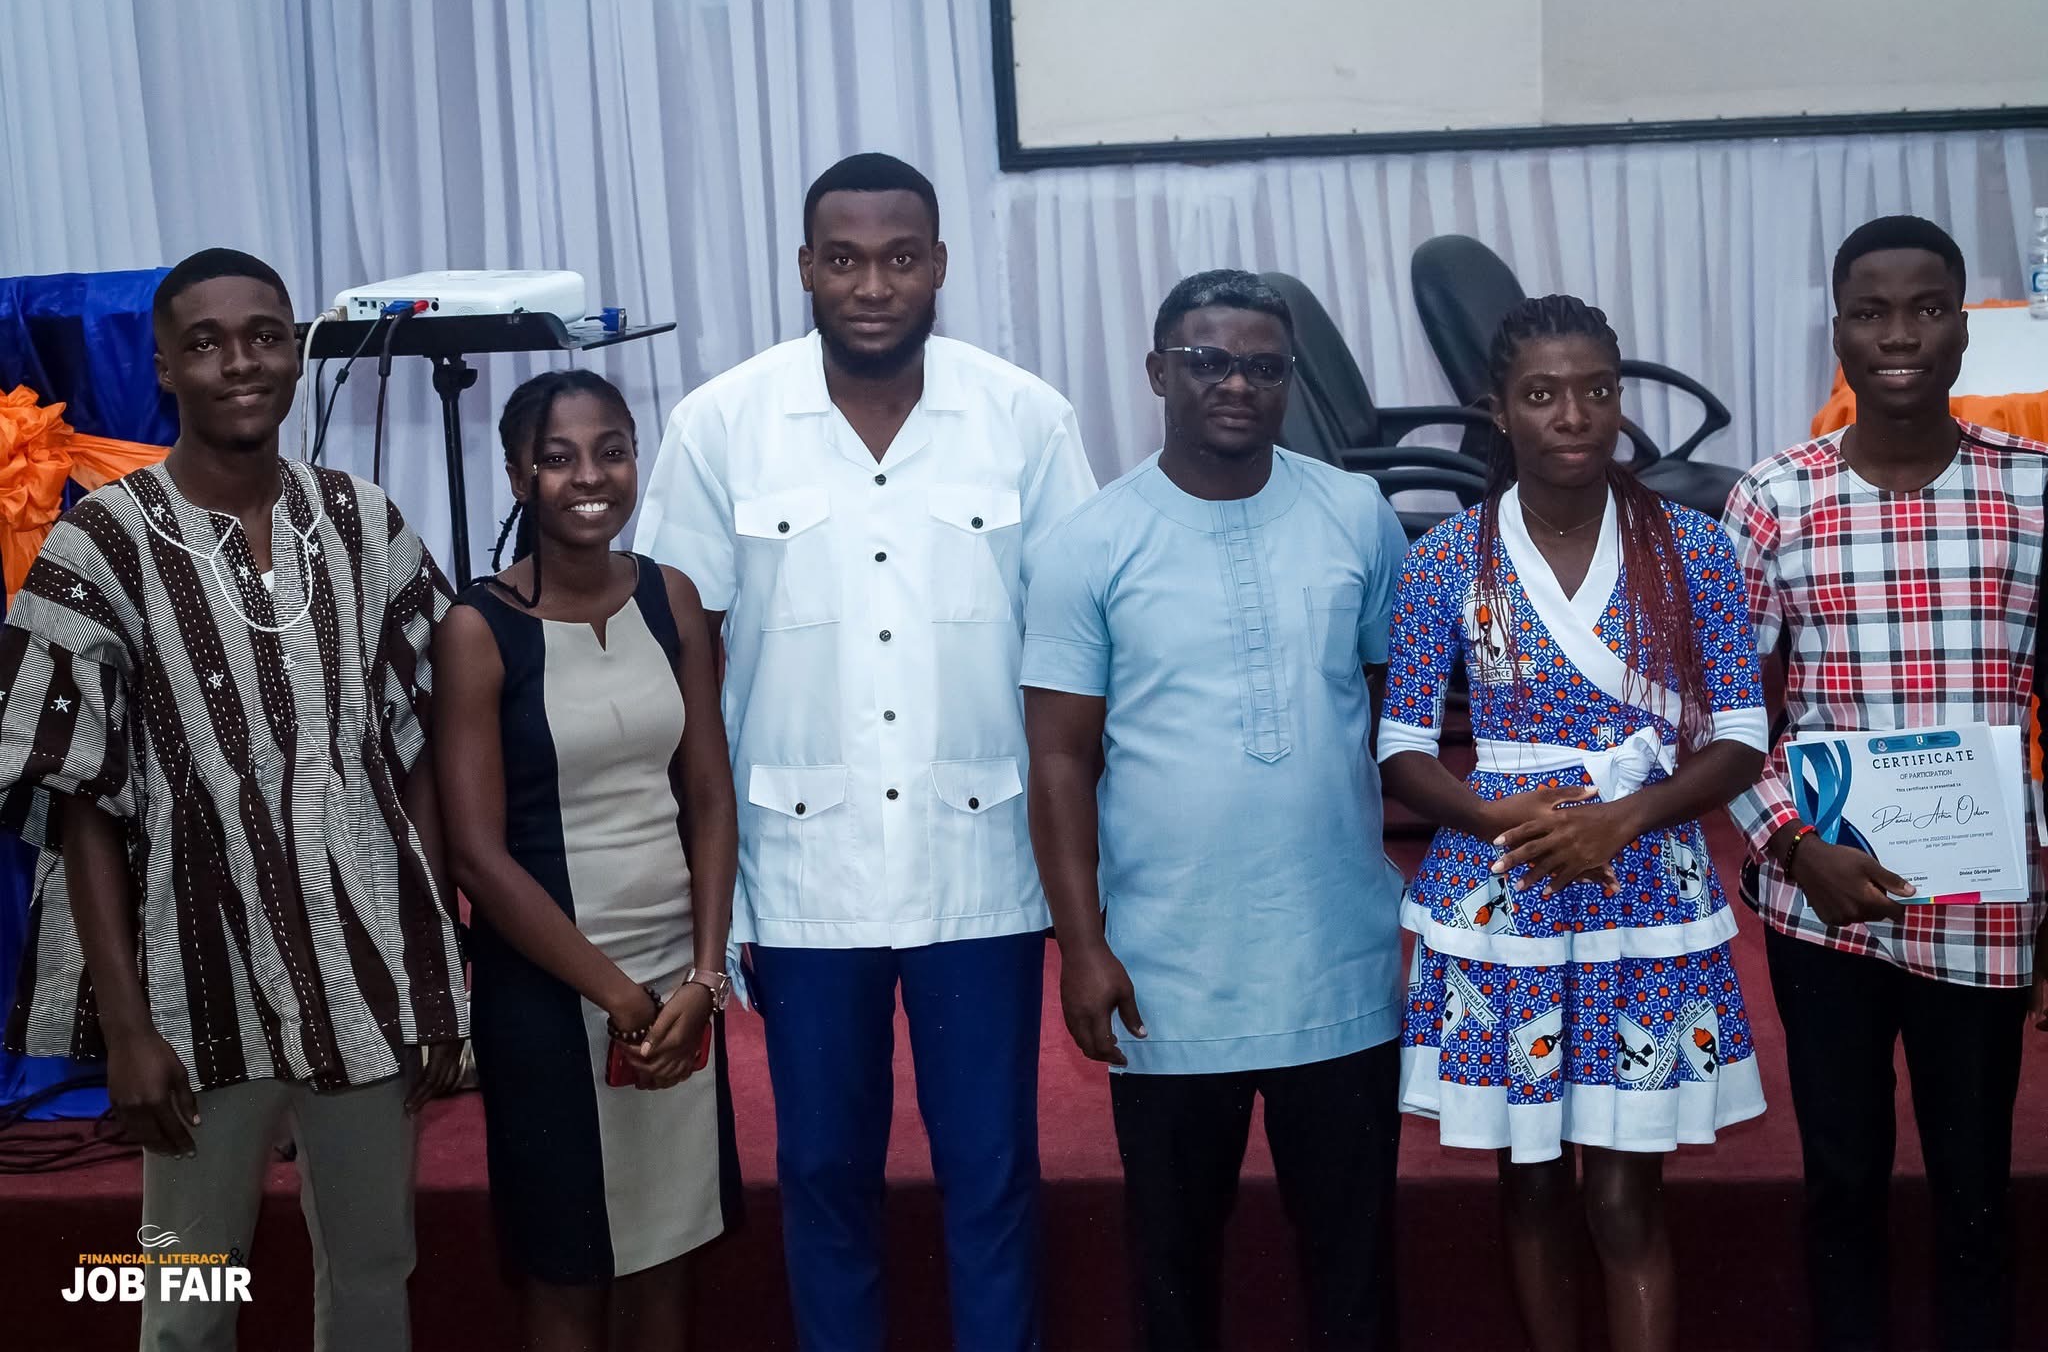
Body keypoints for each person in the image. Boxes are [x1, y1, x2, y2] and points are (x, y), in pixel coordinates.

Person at [633, 151, 1097, 1352]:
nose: (873, 285)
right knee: (824, 1172)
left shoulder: (1024, 417)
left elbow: (1073, 640)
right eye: (843, 259)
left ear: (938, 264)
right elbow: (681, 651)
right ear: (805, 268)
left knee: (991, 1169)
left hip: (979, 865)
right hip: (802, 871)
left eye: (899, 258)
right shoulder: (723, 422)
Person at [0, 248, 466, 1351]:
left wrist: (434, 967)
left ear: (297, 351)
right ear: (165, 367)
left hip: (365, 975)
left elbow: (418, 754)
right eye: (205, 344)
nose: (240, 362)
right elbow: (79, 802)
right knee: (187, 1302)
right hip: (191, 987)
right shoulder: (99, 542)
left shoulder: (362, 520)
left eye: (264, 335)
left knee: (374, 1276)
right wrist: (126, 1030)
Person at [1022, 270, 1408, 1351]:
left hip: (1337, 959)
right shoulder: (1090, 542)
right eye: (1207, 361)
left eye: (1263, 366)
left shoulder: (1356, 515)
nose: (1236, 384)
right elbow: (1058, 758)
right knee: (1174, 1271)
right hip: (1166, 974)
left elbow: (1390, 710)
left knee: (1354, 1270)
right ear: (1158, 372)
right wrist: (1082, 947)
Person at [1379, 294, 1768, 1352]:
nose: (1573, 414)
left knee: (1623, 1196)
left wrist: (1621, 821)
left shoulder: (1691, 548)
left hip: (1644, 889)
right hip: (1504, 890)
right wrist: (1487, 811)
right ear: (1497, 411)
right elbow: (1402, 748)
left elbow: (1741, 734)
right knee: (1532, 1183)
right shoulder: (1446, 558)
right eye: (1542, 393)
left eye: (1596, 389)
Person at [1724, 215, 2048, 1352]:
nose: (1898, 335)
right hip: (1825, 894)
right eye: (1870, 313)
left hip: (1982, 903)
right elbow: (1721, 713)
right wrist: (1788, 843)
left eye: (1924, 310)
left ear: (1963, 329)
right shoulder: (1775, 497)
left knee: (1975, 1192)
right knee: (1842, 1181)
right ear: (1838, 335)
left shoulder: (2033, 489)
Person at [434, 370, 742, 1351]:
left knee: (666, 1254)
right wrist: (620, 996)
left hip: (675, 989)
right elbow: (476, 856)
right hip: (550, 995)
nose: (590, 476)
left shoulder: (670, 595)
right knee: (567, 1273)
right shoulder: (478, 629)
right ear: (518, 475)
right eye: (558, 458)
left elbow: (708, 796)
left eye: (611, 450)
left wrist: (702, 978)